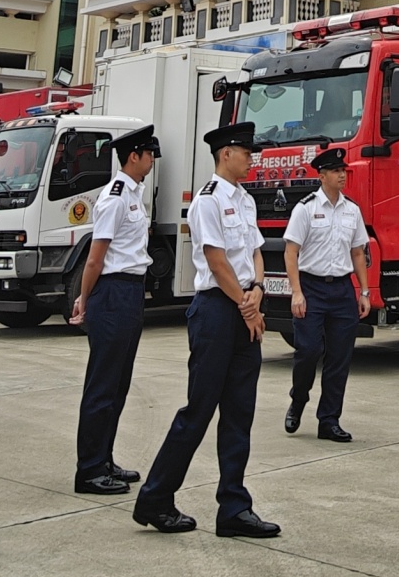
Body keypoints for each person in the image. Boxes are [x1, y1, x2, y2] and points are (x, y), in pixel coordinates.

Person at [132, 121, 276, 539]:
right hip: (216, 310)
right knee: (198, 411)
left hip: (245, 303)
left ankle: (234, 508)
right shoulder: (207, 201)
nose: (252, 159)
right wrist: (247, 308)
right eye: (246, 152)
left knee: (239, 414)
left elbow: (254, 254)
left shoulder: (246, 201)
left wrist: (260, 291)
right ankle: (155, 498)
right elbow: (216, 262)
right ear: (225, 154)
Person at [68, 127, 156, 497]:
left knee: (118, 384)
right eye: (149, 154)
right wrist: (84, 299)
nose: (153, 160)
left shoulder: (134, 194)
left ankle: (104, 458)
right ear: (133, 156)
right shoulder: (115, 197)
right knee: (103, 385)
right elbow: (95, 257)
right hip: (112, 291)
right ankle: (88, 470)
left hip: (130, 290)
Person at [282, 147, 368, 442]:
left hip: (342, 289)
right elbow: (291, 252)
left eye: (343, 170)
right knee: (307, 351)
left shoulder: (352, 210)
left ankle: (329, 420)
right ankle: (299, 397)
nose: (342, 175)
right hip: (312, 287)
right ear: (322, 176)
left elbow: (358, 253)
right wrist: (296, 292)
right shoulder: (305, 208)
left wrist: (364, 291)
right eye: (335, 171)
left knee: (339, 357)